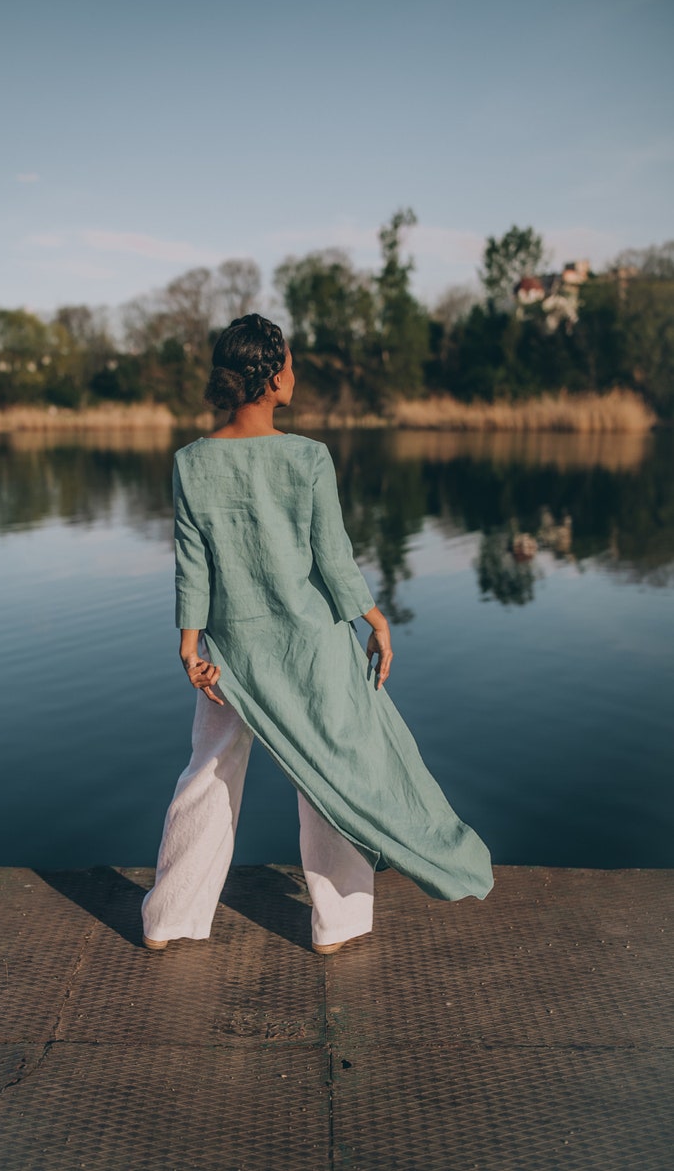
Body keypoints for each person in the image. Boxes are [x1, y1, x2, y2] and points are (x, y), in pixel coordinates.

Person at [141, 314, 493, 955]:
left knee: (208, 773)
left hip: (229, 653)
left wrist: (188, 642)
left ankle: (168, 919)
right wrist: (375, 617)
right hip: (312, 645)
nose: (295, 376)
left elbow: (193, 565)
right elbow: (332, 558)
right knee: (330, 773)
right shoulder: (307, 457)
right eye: (291, 366)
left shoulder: (191, 463)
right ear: (272, 379)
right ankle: (337, 925)